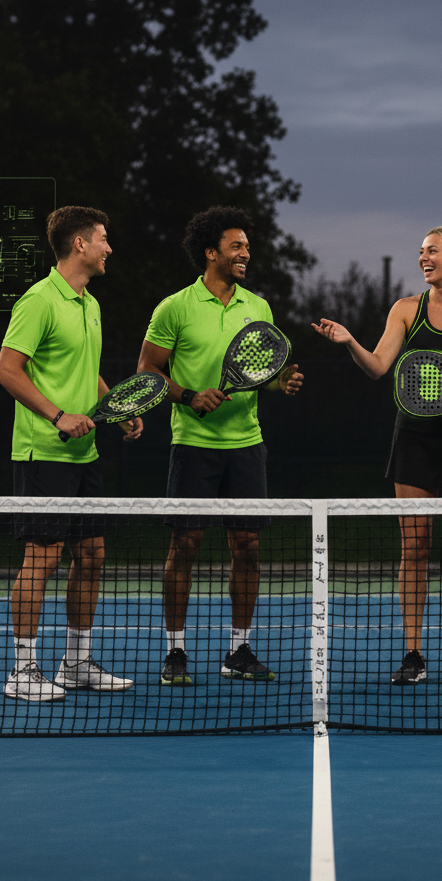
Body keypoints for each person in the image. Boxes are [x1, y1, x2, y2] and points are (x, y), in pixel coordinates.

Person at [313, 226, 442, 684]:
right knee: (415, 547)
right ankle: (413, 652)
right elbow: (380, 366)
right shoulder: (405, 309)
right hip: (415, 438)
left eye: (433, 251)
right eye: (420, 252)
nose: (424, 258)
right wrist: (349, 342)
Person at [137, 206, 303, 686]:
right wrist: (188, 395)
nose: (245, 253)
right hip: (193, 444)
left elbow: (265, 372)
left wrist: (282, 383)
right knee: (184, 545)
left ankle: (238, 650)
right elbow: (148, 371)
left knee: (247, 547)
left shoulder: (258, 307)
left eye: (247, 247)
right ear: (211, 253)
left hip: (246, 444)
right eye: (236, 246)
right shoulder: (175, 307)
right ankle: (175, 652)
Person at [0, 205, 141, 702]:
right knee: (43, 557)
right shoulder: (38, 301)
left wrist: (116, 407)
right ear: (79, 244)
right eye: (103, 238)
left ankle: (76, 663)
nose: (109, 247)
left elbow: (88, 371)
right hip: (44, 452)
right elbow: (8, 370)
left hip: (85, 456)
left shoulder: (90, 303)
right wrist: (58, 417)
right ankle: (22, 671)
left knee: (93, 556)